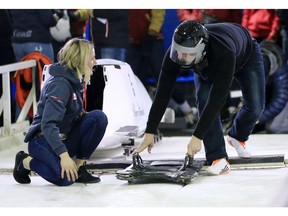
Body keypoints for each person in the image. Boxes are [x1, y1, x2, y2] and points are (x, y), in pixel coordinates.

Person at [133, 20, 265, 175]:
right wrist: (150, 131)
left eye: (187, 54)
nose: (181, 57)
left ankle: (238, 136)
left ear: (201, 49)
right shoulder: (175, 55)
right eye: (178, 51)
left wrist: (197, 136)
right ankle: (217, 157)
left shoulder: (224, 52)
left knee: (256, 107)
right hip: (206, 64)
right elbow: (162, 93)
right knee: (203, 99)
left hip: (246, 56)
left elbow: (216, 101)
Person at [13, 38, 108, 186]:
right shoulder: (60, 84)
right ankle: (25, 161)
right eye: (92, 57)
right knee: (65, 179)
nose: (94, 62)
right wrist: (64, 156)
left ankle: (78, 167)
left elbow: (73, 111)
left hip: (63, 137)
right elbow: (48, 125)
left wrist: (81, 115)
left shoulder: (75, 80)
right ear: (80, 59)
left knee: (98, 118)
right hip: (42, 140)